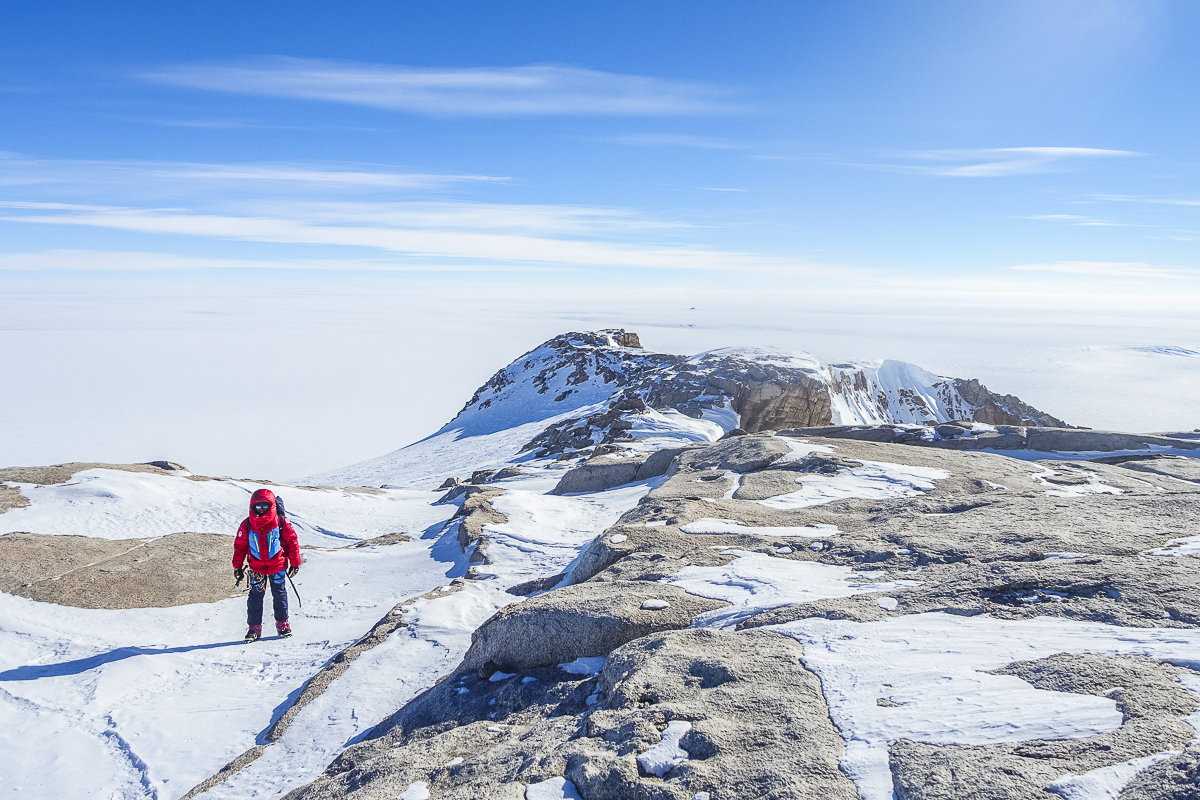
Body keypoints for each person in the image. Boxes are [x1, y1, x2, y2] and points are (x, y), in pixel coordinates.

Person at [233, 488, 301, 643]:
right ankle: (254, 628)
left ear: (271, 506)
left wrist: (295, 562)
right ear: (252, 506)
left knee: (280, 594)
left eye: (265, 506)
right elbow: (240, 546)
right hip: (256, 569)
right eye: (258, 506)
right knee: (255, 597)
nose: (261, 509)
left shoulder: (281, 522)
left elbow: (292, 542)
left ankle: (283, 624)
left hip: (278, 566)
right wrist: (237, 567)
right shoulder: (247, 525)